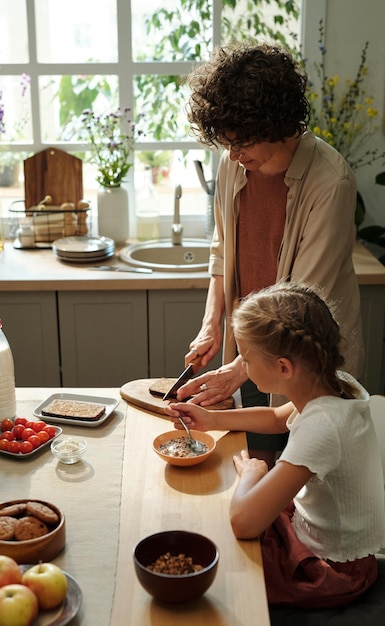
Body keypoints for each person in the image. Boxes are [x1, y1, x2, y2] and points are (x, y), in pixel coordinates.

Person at [177, 41, 363, 468]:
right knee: (250, 466)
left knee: (302, 481)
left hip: (300, 360)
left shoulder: (331, 183)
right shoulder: (233, 162)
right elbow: (222, 247)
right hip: (250, 352)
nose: (233, 155)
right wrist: (211, 326)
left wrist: (239, 369)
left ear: (278, 124)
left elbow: (302, 304)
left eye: (241, 143)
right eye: (226, 143)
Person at [166, 282, 385, 608]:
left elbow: (244, 523)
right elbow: (275, 418)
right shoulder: (334, 385)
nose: (245, 367)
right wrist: (212, 421)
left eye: (248, 359)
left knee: (221, 565)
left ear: (283, 367)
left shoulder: (322, 426)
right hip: (316, 531)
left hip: (334, 570)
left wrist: (254, 472)